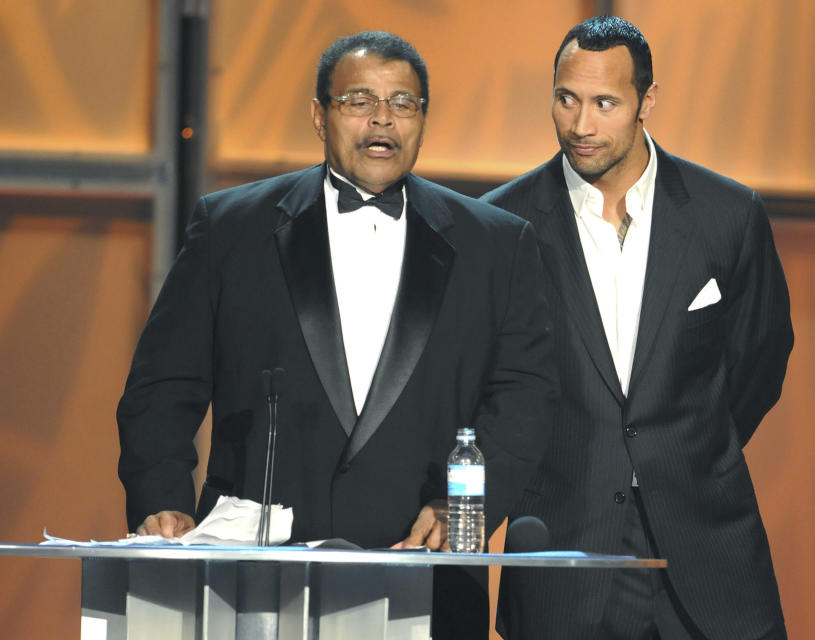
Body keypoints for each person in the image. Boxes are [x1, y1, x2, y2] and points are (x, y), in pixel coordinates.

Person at [117, 30, 556, 639]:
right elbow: (162, 387)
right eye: (359, 101)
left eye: (403, 103)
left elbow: (525, 402)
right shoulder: (231, 229)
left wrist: (464, 510)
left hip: (425, 572)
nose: (383, 120)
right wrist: (160, 499)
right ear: (320, 117)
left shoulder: (497, 244)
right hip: (258, 581)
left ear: (423, 121)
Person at [483, 15, 793, 640]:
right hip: (563, 553)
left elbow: (760, 359)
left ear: (647, 101)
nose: (581, 125)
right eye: (566, 99)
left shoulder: (727, 214)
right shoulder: (501, 226)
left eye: (605, 103)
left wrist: (685, 446)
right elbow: (490, 390)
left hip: (709, 551)